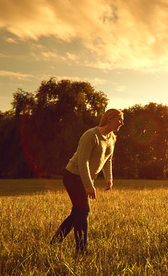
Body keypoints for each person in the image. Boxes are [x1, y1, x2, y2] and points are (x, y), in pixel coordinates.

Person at [50, 109, 124, 255]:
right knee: (84, 211)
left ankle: (54, 242)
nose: (122, 123)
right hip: (73, 175)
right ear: (110, 119)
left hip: (84, 177)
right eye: (120, 119)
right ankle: (81, 251)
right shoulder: (91, 135)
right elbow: (82, 162)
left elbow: (108, 159)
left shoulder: (112, 138)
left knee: (77, 212)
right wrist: (88, 185)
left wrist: (109, 178)